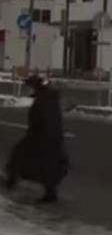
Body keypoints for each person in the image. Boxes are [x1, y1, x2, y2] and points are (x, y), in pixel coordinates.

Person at [4, 75, 69, 204]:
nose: (27, 90)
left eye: (28, 87)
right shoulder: (46, 98)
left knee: (23, 157)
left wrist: (39, 134)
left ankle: (12, 181)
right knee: (44, 163)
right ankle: (48, 191)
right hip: (49, 137)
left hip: (43, 137)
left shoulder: (43, 100)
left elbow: (45, 120)